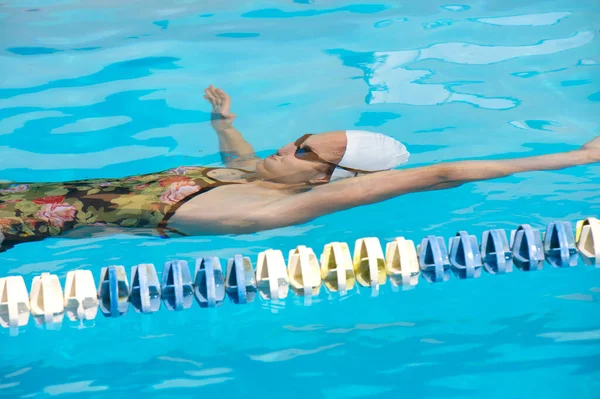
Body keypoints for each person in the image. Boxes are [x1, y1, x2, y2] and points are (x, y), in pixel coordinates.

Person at [1, 85, 599, 252]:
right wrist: (224, 121)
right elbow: (236, 159)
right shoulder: (248, 175)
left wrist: (577, 157)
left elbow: (445, 175)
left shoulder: (274, 207)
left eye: (309, 153)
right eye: (299, 139)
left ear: (326, 183)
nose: (289, 148)